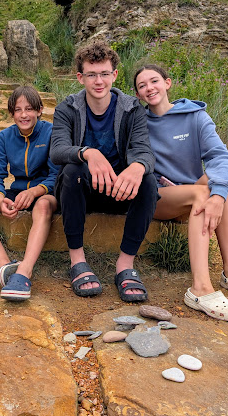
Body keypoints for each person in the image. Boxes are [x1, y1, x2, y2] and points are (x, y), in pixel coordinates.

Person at [134, 64, 228, 321]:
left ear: (167, 83)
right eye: (142, 85)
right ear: (138, 95)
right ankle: (200, 289)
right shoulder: (139, 123)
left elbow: (220, 156)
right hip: (159, 197)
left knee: (218, 189)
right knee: (203, 194)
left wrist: (218, 193)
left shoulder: (195, 117)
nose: (149, 88)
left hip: (192, 192)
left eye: (154, 81)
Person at [50, 41, 158, 300]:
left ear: (114, 75)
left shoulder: (132, 109)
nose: (98, 81)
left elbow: (144, 151)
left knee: (148, 181)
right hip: (81, 192)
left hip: (119, 192)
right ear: (80, 77)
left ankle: (125, 264)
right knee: (72, 169)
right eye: (91, 75)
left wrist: (138, 166)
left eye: (104, 74)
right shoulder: (67, 108)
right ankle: (77, 260)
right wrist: (88, 152)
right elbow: (57, 150)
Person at [0, 86, 58, 301]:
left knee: (43, 205)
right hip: (18, 191)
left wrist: (34, 192)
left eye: (29, 109)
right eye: (18, 110)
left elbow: (56, 175)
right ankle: (6, 267)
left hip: (45, 191)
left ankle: (25, 270)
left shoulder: (51, 132)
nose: (24, 114)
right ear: (11, 113)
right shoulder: (5, 136)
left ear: (40, 110)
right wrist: (0, 198)